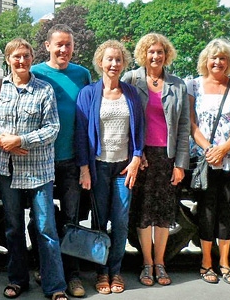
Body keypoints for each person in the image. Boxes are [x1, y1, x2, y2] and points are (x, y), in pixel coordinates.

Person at [0, 38, 68, 300]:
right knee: (13, 227)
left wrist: (21, 140)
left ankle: (55, 285)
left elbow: (53, 128)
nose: (21, 61)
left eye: (26, 56)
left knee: (45, 228)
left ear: (32, 58)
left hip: (38, 169)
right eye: (16, 56)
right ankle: (18, 279)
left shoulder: (44, 90)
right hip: (6, 169)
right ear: (8, 59)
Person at [75, 40, 144, 295]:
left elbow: (139, 128)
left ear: (123, 63)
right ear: (100, 62)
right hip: (99, 167)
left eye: (118, 60)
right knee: (100, 221)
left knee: (122, 220)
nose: (114, 64)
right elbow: (81, 135)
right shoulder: (89, 93)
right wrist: (84, 168)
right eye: (109, 59)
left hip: (124, 167)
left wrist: (137, 156)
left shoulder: (131, 93)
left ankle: (116, 270)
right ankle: (101, 271)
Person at [121, 33, 189, 287]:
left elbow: (183, 127)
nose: (155, 56)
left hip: (167, 158)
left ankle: (160, 262)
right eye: (151, 52)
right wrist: (136, 153)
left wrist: (181, 163)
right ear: (143, 54)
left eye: (160, 52)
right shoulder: (131, 79)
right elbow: (124, 120)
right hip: (141, 156)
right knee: (142, 212)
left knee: (163, 214)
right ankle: (146, 263)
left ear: (166, 54)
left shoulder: (178, 85)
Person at [30, 24, 91, 297]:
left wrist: (85, 162)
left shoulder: (82, 74)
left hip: (71, 159)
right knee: (39, 220)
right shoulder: (36, 73)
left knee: (71, 220)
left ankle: (73, 274)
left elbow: (89, 117)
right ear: (47, 46)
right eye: (59, 44)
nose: (63, 49)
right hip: (39, 160)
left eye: (68, 45)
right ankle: (44, 267)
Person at [186, 39, 230, 286]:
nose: (218, 62)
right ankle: (205, 262)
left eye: (222, 58)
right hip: (205, 158)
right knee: (207, 209)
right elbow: (192, 123)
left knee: (228, 209)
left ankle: (224, 262)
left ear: (229, 61)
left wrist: (224, 148)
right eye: (213, 58)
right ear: (206, 60)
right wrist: (210, 149)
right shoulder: (194, 86)